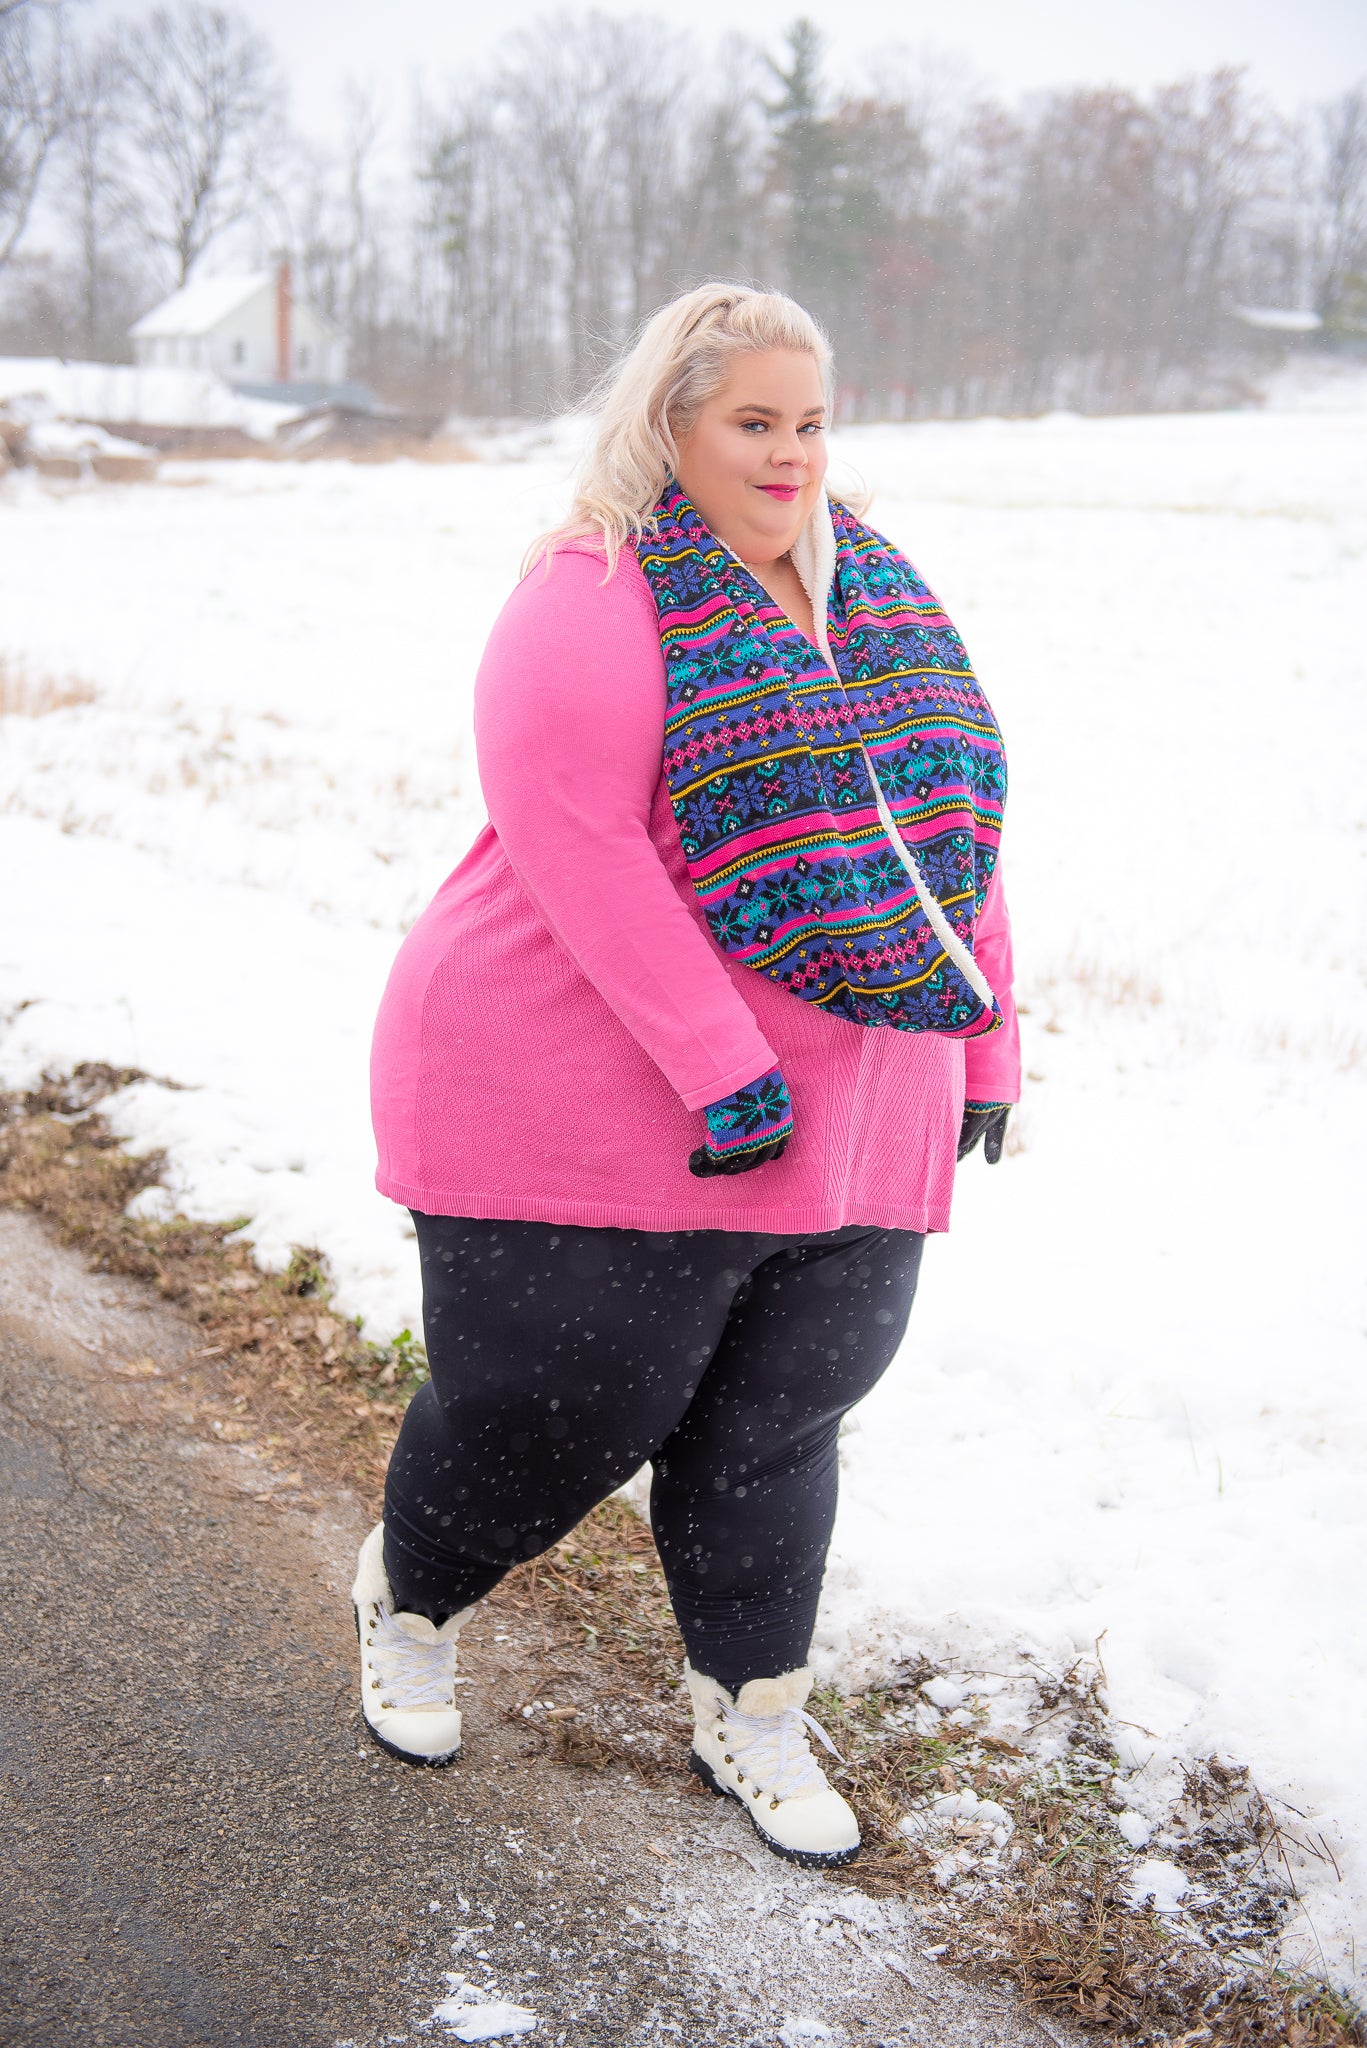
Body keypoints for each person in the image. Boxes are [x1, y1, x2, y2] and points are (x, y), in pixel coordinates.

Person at [356, 283, 1018, 1869]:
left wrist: (988, 1033)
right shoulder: (594, 586)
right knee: (552, 1415)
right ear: (672, 424)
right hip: (581, 1084)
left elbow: (948, 820)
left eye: (811, 423)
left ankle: (755, 1708)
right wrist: (723, 1066)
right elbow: (572, 848)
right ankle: (412, 1599)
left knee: (781, 1427)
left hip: (854, 1107)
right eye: (754, 423)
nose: (791, 457)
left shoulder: (877, 594)